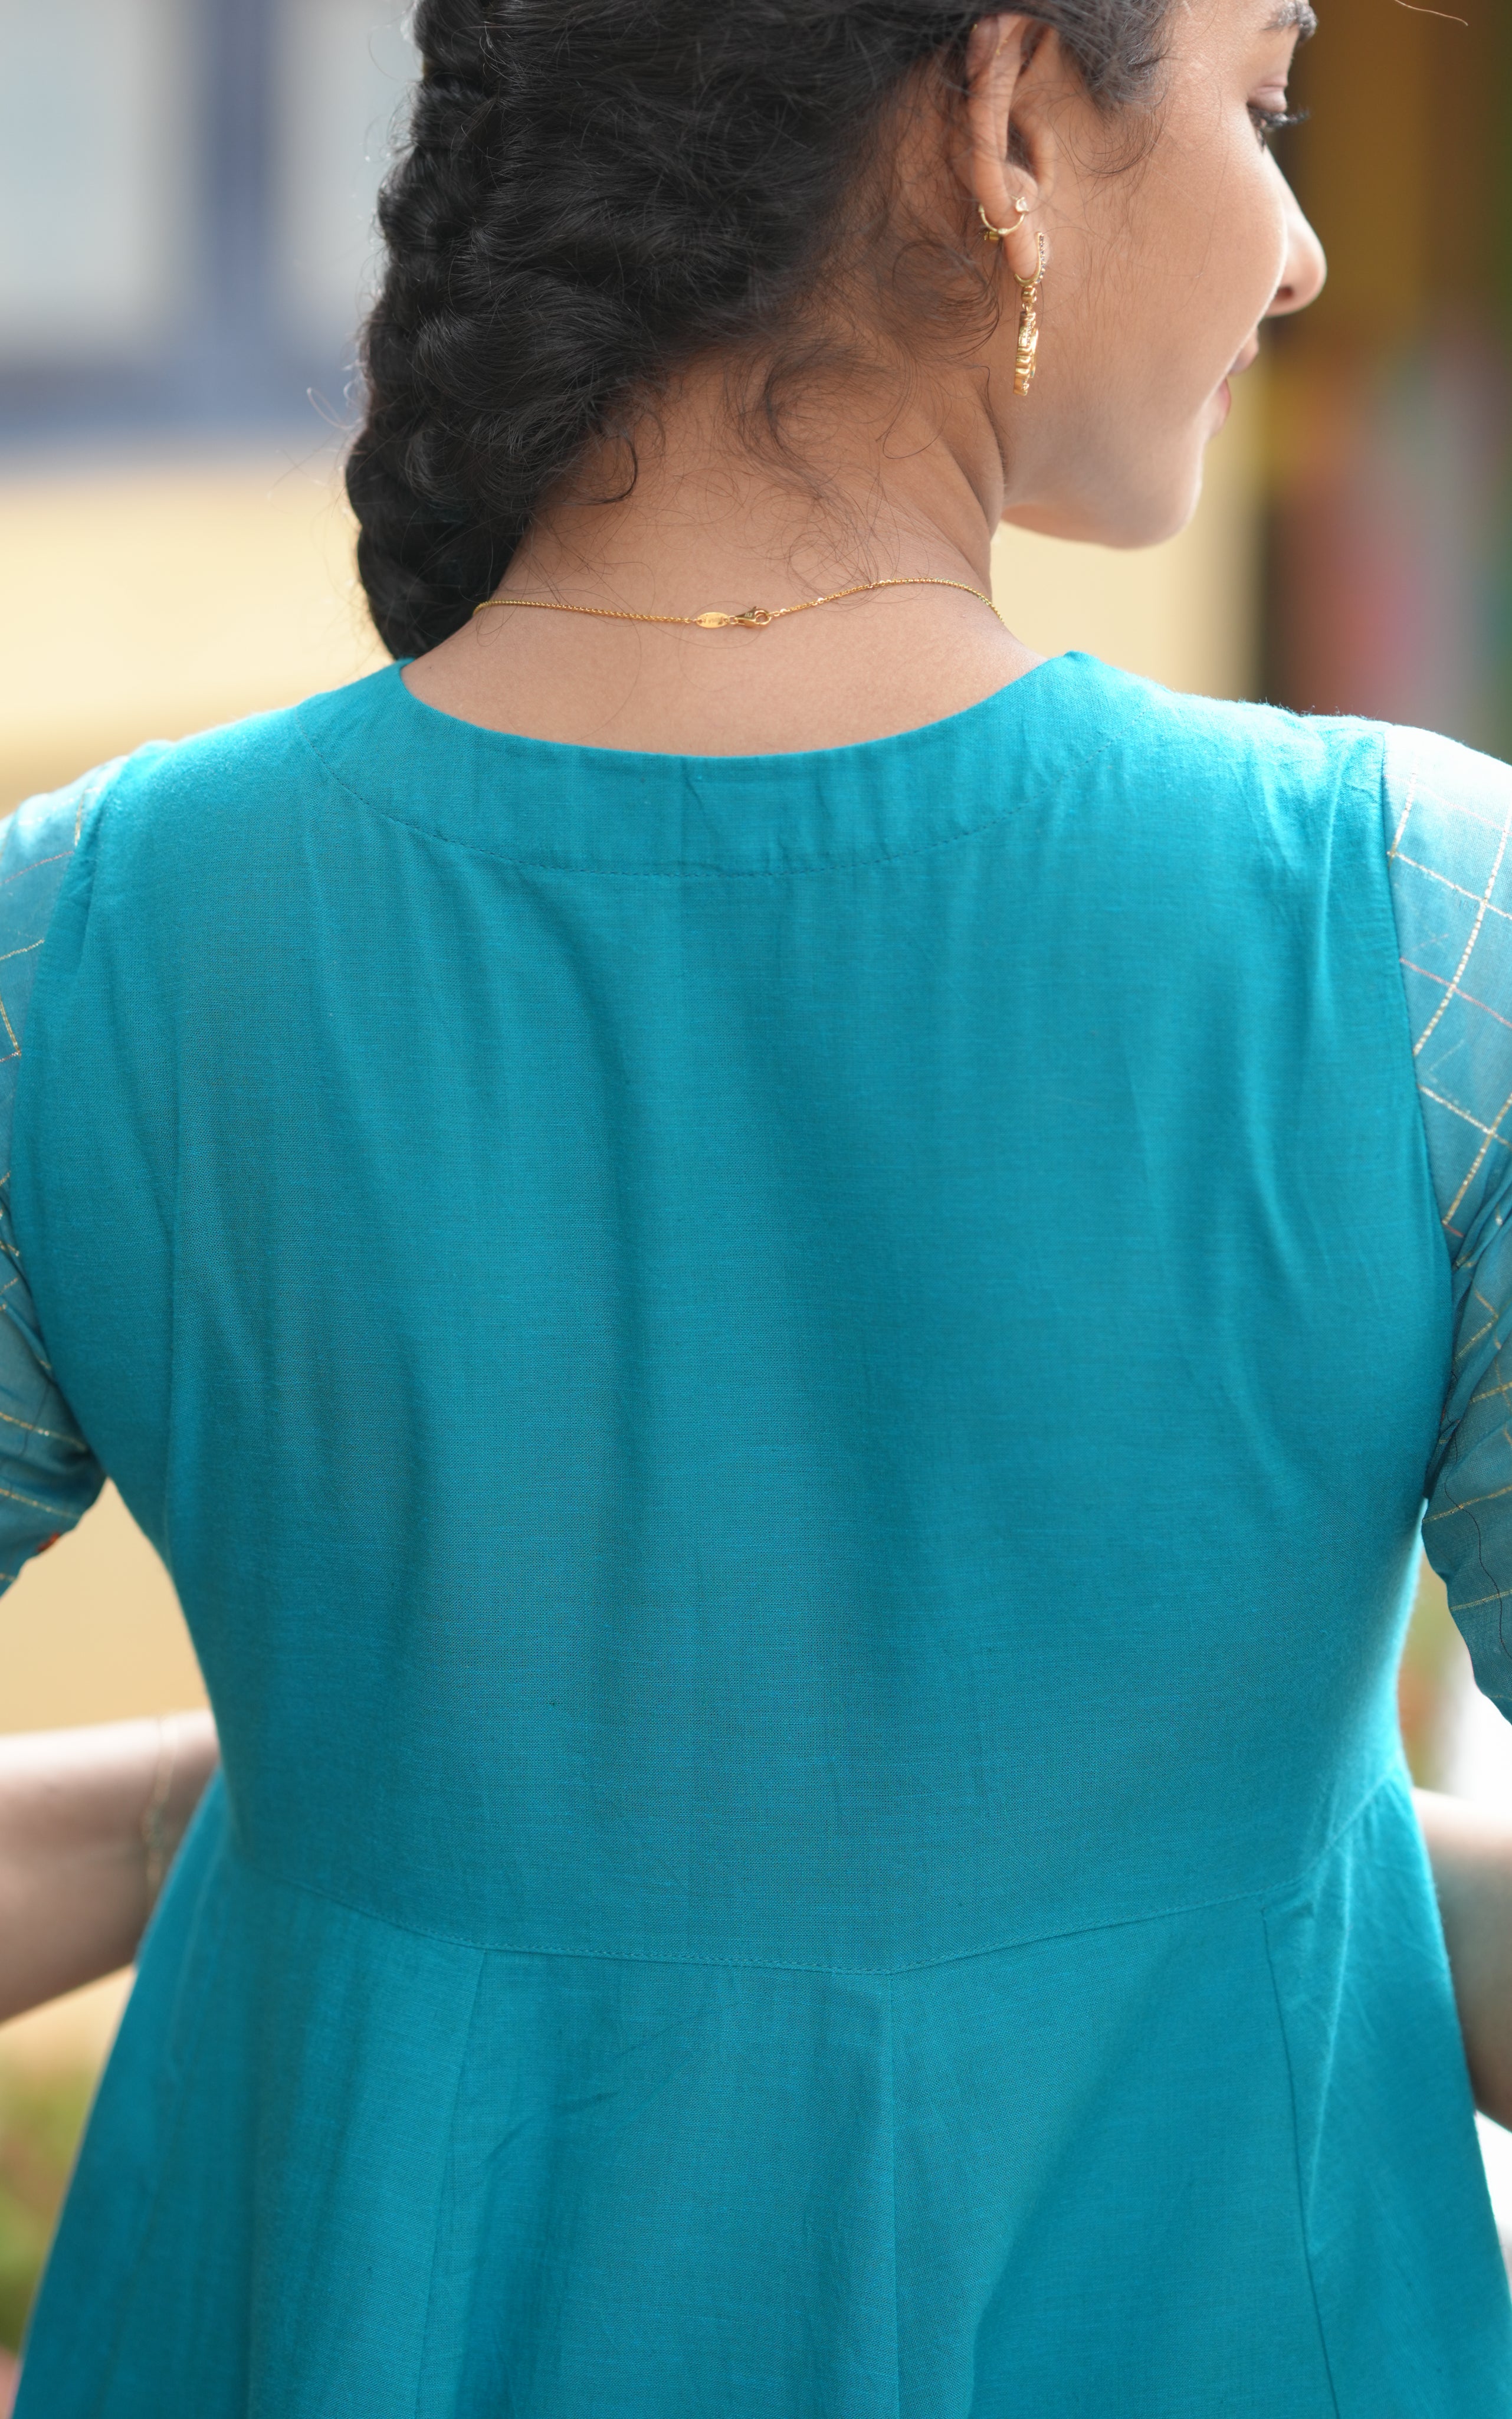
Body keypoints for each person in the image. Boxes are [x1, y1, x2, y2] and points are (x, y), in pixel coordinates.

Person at [5, 0, 1512, 2406]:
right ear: (1010, 117)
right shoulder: (1419, 941)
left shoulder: (84, 942)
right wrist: (1240, 1875)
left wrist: (259, 1796)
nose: (1303, 247)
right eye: (1261, 99)